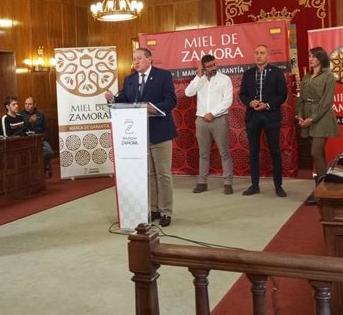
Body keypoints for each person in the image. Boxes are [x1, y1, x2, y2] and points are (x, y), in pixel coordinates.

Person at [104, 48, 178, 227]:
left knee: (163, 174)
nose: (135, 62)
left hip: (160, 132)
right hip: (138, 134)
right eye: (134, 59)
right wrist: (112, 99)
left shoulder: (163, 76)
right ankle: (154, 209)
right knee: (149, 174)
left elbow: (171, 100)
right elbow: (124, 100)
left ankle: (166, 211)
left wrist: (153, 107)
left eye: (139, 59)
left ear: (149, 59)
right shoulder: (130, 79)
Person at [239, 44, 288, 197]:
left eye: (262, 53)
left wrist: (267, 105)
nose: (258, 55)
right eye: (256, 53)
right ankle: (254, 185)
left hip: (271, 115)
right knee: (253, 151)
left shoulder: (277, 72)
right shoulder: (248, 74)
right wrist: (250, 102)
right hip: (253, 117)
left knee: (275, 152)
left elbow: (282, 95)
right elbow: (242, 94)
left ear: (268, 55)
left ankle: (278, 186)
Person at [184, 54, 234, 195]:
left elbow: (227, 100)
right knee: (203, 153)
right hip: (201, 120)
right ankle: (202, 182)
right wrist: (198, 77)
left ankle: (228, 182)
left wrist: (213, 112)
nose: (213, 68)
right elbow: (188, 93)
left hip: (219, 119)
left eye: (214, 64)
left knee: (224, 152)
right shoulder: (200, 80)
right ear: (203, 67)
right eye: (210, 66)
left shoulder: (225, 79)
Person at [295, 47, 339, 205]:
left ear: (321, 58)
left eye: (313, 56)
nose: (310, 58)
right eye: (309, 56)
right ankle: (325, 188)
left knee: (315, 152)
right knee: (318, 154)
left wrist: (312, 119)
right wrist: (300, 115)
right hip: (306, 117)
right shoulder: (307, 76)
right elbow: (301, 99)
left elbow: (327, 102)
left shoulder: (329, 76)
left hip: (321, 119)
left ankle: (320, 192)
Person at [20, 96, 54, 175]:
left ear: (34, 105)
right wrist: (29, 121)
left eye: (30, 104)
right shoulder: (20, 115)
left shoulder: (41, 114)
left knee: (49, 153)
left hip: (41, 139)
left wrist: (43, 137)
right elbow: (21, 130)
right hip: (27, 141)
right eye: (25, 104)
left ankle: (41, 168)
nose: (27, 106)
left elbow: (46, 129)